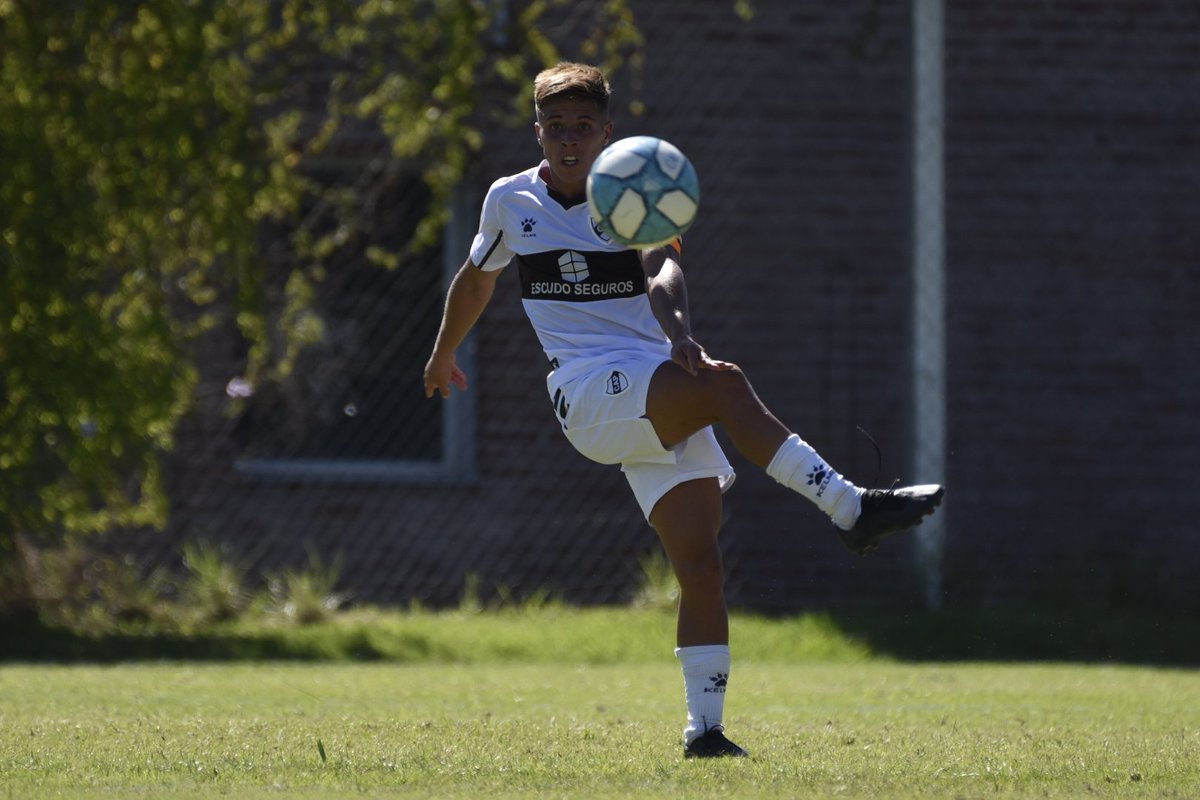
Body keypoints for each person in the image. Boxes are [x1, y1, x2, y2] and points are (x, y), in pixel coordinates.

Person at [423, 62, 943, 759]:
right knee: (724, 385)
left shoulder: (636, 181)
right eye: (556, 127)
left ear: (607, 131)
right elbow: (476, 279)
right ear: (538, 131)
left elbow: (662, 270)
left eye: (583, 126)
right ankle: (850, 508)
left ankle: (706, 732)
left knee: (700, 564)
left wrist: (678, 333)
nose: (569, 140)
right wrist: (442, 352)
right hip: (584, 390)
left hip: (650, 380)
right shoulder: (508, 200)